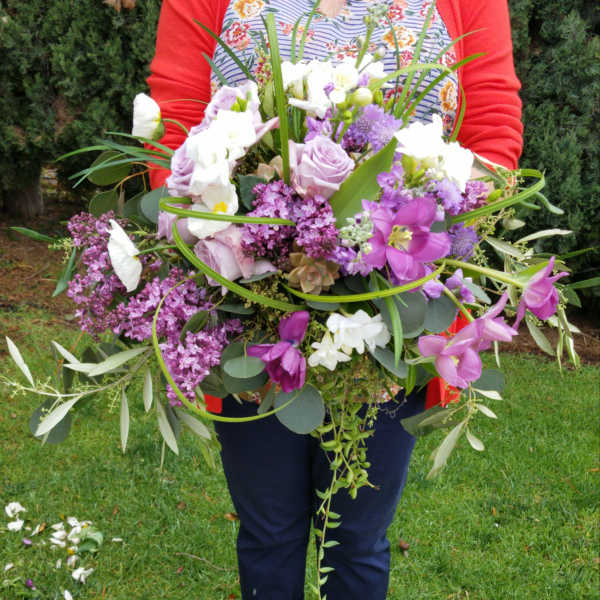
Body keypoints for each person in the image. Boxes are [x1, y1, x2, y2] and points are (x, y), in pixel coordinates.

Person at [147, 1, 523, 598]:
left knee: (358, 541)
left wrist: (431, 240)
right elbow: (173, 125)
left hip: (394, 314)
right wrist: (223, 249)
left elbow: (492, 133)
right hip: (246, 314)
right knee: (268, 533)